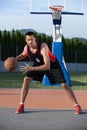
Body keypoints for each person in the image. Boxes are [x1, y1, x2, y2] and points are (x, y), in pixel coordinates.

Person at [15, 31, 82, 114]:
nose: (30, 41)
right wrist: (15, 59)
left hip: (52, 65)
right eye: (28, 40)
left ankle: (77, 105)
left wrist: (31, 68)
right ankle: (21, 105)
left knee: (64, 85)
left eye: (31, 39)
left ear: (35, 39)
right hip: (39, 64)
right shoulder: (26, 47)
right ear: (26, 40)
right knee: (26, 79)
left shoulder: (43, 47)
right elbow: (24, 54)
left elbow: (47, 66)